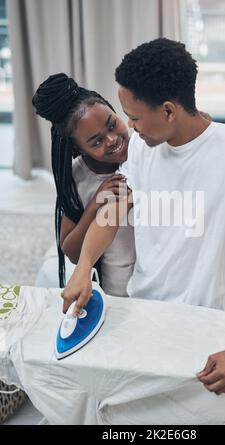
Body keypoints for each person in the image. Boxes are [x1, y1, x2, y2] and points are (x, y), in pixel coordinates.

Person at [62, 39, 225, 395]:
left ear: (168, 110)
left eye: (134, 118)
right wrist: (83, 266)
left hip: (204, 322)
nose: (129, 129)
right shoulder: (140, 149)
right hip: (142, 312)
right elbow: (114, 212)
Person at [32, 73, 135, 297]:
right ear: (79, 149)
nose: (112, 140)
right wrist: (93, 206)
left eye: (112, 124)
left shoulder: (144, 146)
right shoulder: (77, 177)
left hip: (159, 279)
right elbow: (71, 252)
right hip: (117, 289)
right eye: (96, 141)